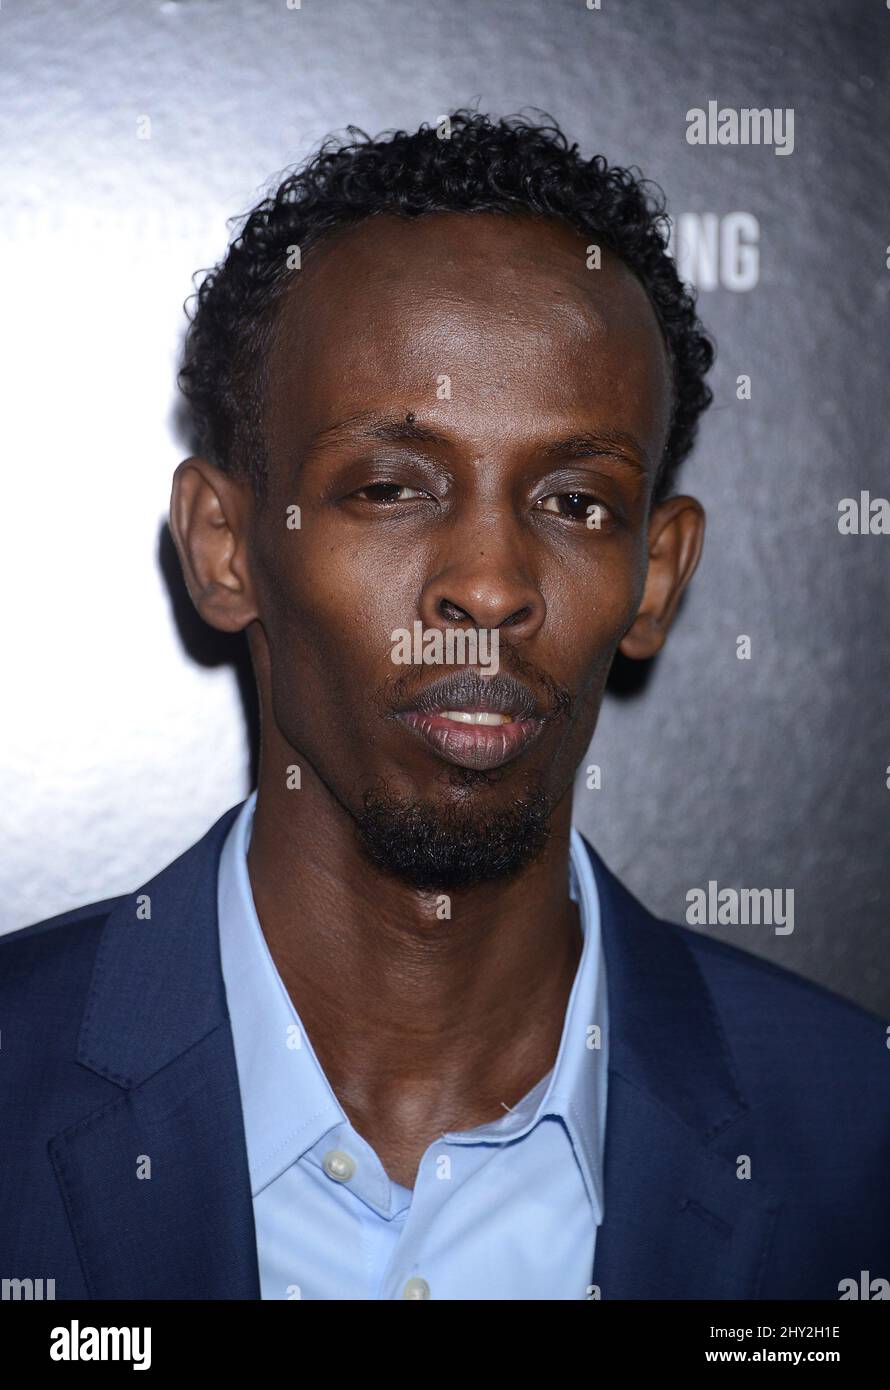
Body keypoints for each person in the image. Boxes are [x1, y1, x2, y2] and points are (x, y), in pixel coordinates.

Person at [1, 111, 886, 1301]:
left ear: (656, 575)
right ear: (225, 547)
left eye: (574, 501)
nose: (488, 583)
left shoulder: (853, 1137)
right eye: (388, 486)